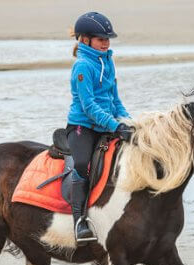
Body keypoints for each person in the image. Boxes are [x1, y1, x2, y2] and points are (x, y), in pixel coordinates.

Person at [67, 11, 134, 243]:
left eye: (107, 39)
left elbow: (115, 100)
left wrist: (128, 122)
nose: (105, 43)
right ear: (85, 40)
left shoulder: (108, 62)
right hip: (82, 127)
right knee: (83, 164)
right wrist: (115, 125)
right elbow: (89, 106)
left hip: (107, 125)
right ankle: (79, 221)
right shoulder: (83, 67)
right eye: (100, 39)